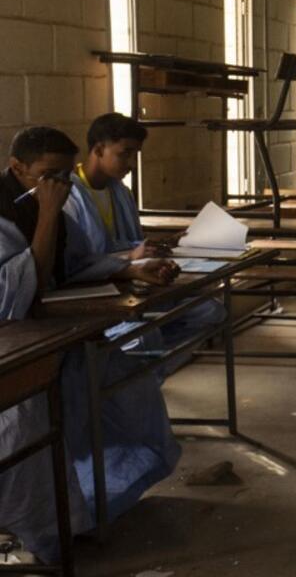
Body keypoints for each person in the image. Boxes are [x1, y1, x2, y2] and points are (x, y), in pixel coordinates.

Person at [0, 126, 180, 564]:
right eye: (48, 175)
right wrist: (45, 215)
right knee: (28, 422)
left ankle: (90, 506)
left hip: (49, 334)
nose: (59, 186)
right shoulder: (12, 214)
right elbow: (18, 292)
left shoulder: (55, 208)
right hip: (12, 346)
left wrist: (130, 273)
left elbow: (75, 264)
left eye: (64, 176)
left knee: (125, 379)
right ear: (18, 168)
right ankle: (42, 533)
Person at [64, 113, 226, 364]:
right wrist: (129, 257)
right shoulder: (70, 198)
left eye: (135, 155)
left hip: (136, 285)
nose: (131, 163)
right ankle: (141, 373)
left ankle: (150, 370)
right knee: (143, 339)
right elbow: (77, 262)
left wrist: (159, 245)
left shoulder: (121, 192)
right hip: (98, 294)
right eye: (125, 153)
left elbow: (129, 241)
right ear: (98, 149)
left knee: (210, 311)